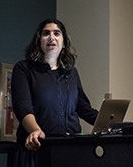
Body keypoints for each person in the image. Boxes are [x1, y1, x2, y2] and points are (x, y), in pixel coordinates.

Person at [11, 19, 98, 167]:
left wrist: (113, 123)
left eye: (56, 33)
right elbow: (22, 105)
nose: (51, 37)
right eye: (46, 33)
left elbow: (84, 109)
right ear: (39, 41)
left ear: (64, 42)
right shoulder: (24, 69)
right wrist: (35, 131)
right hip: (37, 149)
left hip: (70, 150)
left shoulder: (72, 73)